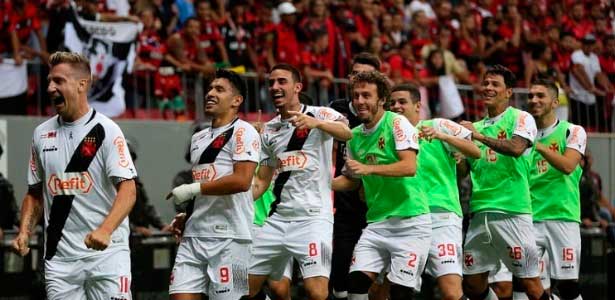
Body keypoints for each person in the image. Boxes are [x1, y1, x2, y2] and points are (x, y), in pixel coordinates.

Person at [11, 51, 137, 299]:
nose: (50, 88)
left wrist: (105, 230)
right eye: (49, 81)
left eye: (58, 81)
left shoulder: (107, 131)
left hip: (108, 256)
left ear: (82, 84)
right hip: (60, 261)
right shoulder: (41, 134)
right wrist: (24, 231)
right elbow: (34, 193)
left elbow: (128, 189)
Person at [248, 63, 352, 300]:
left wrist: (317, 124)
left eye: (281, 81)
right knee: (242, 288)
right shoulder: (269, 131)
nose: (275, 87)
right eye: (271, 82)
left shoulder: (320, 113)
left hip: (313, 219)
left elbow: (347, 133)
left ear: (297, 87)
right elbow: (261, 182)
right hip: (277, 220)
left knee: (316, 292)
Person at [332, 71, 430, 300]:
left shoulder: (397, 123)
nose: (360, 101)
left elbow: (409, 167)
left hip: (411, 222)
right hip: (378, 222)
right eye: (356, 96)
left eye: (366, 95)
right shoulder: (353, 136)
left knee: (400, 293)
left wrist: (369, 169)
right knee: (355, 284)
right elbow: (352, 180)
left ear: (382, 99)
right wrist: (320, 183)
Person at [166, 69, 260, 300]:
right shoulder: (198, 139)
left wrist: (192, 189)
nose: (210, 93)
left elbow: (242, 180)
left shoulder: (244, 132)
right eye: (210, 88)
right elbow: (206, 182)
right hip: (194, 236)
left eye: (219, 89)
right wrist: (188, 214)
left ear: (237, 100)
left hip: (231, 237)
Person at [459, 65, 551, 300]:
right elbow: (463, 173)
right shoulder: (474, 127)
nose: (488, 87)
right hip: (480, 213)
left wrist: (477, 137)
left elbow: (516, 148)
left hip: (512, 211)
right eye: (486, 83)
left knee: (530, 284)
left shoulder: (521, 118)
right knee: (472, 283)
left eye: (495, 84)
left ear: (508, 92)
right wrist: (456, 152)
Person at [389, 83, 480, 300]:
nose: (396, 106)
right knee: (393, 289)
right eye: (392, 103)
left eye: (402, 102)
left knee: (450, 291)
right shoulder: (388, 135)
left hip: (441, 216)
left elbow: (475, 151)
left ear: (418, 105)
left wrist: (443, 137)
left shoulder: (437, 124)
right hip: (404, 217)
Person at [522, 79, 587, 300]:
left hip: (563, 218)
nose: (534, 100)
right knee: (529, 284)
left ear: (555, 102)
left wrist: (537, 145)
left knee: (568, 287)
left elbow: (568, 166)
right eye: (531, 96)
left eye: (540, 96)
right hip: (529, 220)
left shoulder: (573, 131)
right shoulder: (520, 139)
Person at [328, 52, 379, 300]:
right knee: (340, 278)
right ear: (348, 78)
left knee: (375, 280)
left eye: (366, 76)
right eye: (356, 74)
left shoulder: (388, 115)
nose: (359, 79)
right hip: (345, 199)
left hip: (378, 201)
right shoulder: (334, 110)